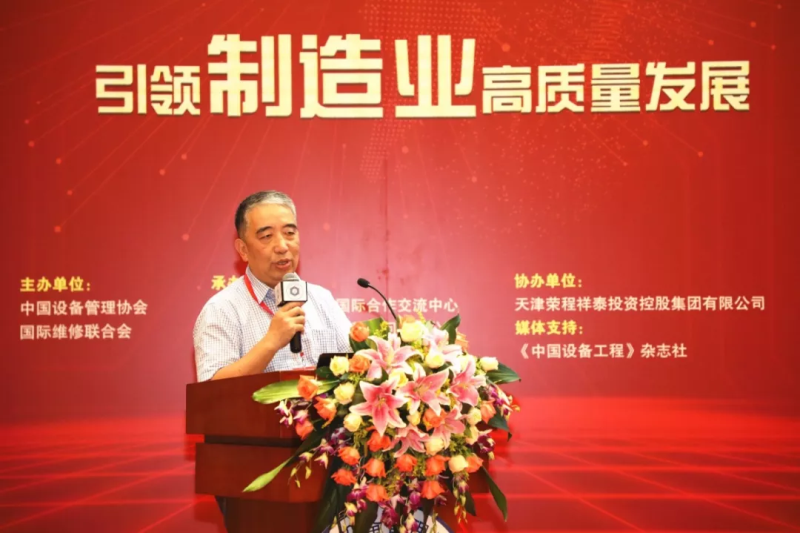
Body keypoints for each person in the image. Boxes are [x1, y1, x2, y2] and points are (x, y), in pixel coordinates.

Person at [193, 190, 353, 382]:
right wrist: (271, 342)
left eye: (289, 233)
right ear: (243, 250)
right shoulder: (222, 309)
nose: (282, 246)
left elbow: (359, 364)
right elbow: (210, 389)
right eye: (267, 236)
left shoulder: (321, 298)